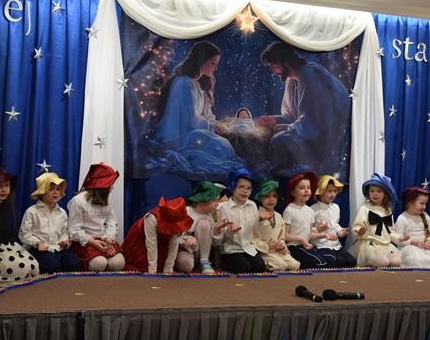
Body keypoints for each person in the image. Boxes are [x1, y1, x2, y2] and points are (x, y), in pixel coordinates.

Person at [149, 41, 244, 179]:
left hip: (192, 131)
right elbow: (190, 121)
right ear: (202, 60)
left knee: (222, 142)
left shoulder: (201, 84)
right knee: (219, 145)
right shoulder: (185, 83)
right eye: (213, 63)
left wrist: (217, 124)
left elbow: (207, 115)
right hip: (177, 136)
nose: (216, 68)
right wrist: (212, 127)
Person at [258, 42, 350, 175]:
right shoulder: (291, 80)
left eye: (275, 66)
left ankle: (280, 178)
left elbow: (311, 121)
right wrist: (274, 120)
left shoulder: (309, 74)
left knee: (279, 140)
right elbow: (292, 116)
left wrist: (286, 128)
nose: (273, 72)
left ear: (286, 62)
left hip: (320, 142)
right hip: (305, 133)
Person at [67, 162, 125, 272]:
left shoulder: (107, 198)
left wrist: (109, 238)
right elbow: (74, 229)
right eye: (110, 184)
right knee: (99, 264)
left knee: (118, 264)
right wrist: (92, 242)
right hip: (86, 241)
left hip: (104, 239)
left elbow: (112, 222)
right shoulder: (78, 201)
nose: (112, 188)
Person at [19, 172, 81, 274]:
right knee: (52, 265)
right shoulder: (32, 211)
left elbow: (64, 231)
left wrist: (64, 241)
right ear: (42, 192)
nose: (55, 192)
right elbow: (24, 233)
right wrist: (37, 243)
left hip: (58, 247)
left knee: (74, 264)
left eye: (58, 189)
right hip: (38, 249)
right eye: (51, 189)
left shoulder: (62, 212)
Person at [122, 197, 195, 274]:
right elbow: (151, 244)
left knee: (167, 265)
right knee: (143, 264)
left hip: (162, 243)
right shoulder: (151, 218)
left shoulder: (177, 221)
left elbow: (174, 244)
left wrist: (168, 269)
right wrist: (152, 271)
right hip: (143, 241)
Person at [216, 168, 267, 273]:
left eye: (248, 188)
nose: (245, 191)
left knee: (260, 267)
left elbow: (254, 229)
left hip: (248, 247)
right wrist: (230, 229)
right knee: (244, 268)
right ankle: (223, 262)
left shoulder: (252, 205)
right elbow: (220, 234)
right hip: (231, 249)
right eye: (241, 187)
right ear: (232, 188)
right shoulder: (223, 207)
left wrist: (260, 219)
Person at [350, 173, 406, 267]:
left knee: (397, 261)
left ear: (385, 194)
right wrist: (360, 231)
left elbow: (391, 232)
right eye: (372, 191)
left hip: (386, 246)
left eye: (379, 191)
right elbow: (358, 226)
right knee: (383, 262)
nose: (375, 193)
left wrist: (399, 238)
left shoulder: (387, 211)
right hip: (371, 245)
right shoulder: (365, 208)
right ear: (368, 193)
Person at [252, 178, 301, 271]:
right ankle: (264, 263)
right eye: (267, 196)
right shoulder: (257, 215)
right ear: (260, 198)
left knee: (295, 265)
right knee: (281, 266)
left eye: (274, 196)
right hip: (262, 250)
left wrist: (281, 245)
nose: (271, 199)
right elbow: (252, 238)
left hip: (276, 251)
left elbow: (281, 237)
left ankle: (276, 261)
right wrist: (267, 246)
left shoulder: (278, 216)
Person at [284, 172, 328, 269]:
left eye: (308, 187)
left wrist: (324, 234)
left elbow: (309, 234)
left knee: (328, 260)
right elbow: (285, 235)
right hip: (294, 246)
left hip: (306, 245)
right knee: (319, 263)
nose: (307, 190)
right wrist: (301, 240)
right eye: (302, 188)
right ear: (293, 192)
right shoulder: (289, 210)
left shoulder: (310, 211)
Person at [311, 175, 356, 268]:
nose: (333, 194)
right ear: (321, 191)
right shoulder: (313, 209)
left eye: (335, 191)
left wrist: (340, 231)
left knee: (352, 261)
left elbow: (335, 225)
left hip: (335, 245)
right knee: (338, 261)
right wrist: (318, 229)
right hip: (321, 245)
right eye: (329, 191)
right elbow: (308, 231)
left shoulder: (336, 207)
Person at [394, 186, 430, 269]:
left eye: (425, 204)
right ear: (410, 202)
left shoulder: (426, 216)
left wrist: (429, 241)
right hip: (408, 247)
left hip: (424, 247)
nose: (424, 207)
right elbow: (397, 240)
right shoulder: (402, 218)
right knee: (415, 259)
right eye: (421, 203)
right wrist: (411, 242)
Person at [184, 181, 226, 273]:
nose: (217, 204)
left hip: (202, 254)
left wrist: (217, 229)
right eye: (214, 200)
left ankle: (204, 261)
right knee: (186, 265)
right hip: (187, 250)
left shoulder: (212, 216)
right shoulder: (186, 212)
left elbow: (216, 244)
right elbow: (176, 236)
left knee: (204, 223)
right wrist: (186, 238)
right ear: (203, 200)